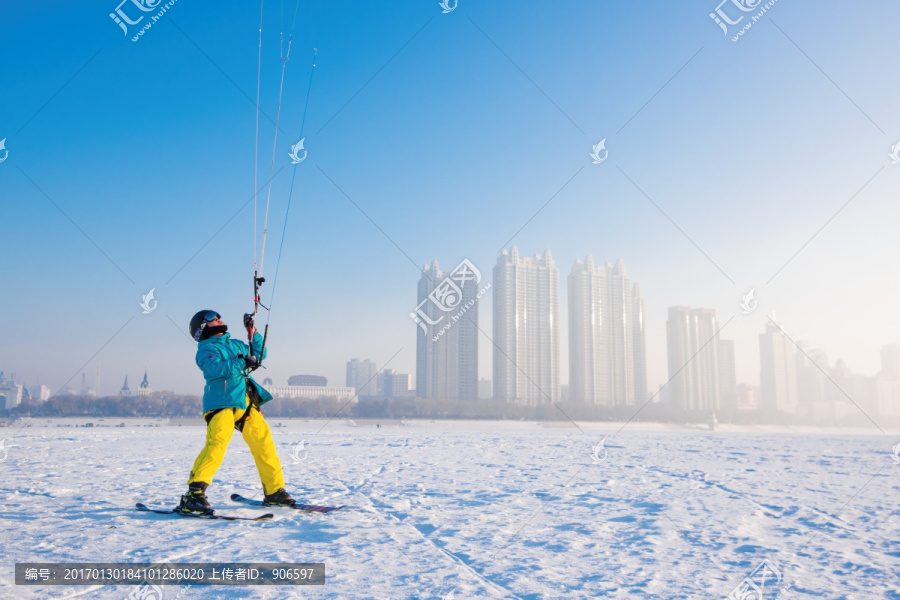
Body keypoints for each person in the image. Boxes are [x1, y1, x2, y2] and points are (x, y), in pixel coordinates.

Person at [178, 309, 296, 514]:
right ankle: (194, 494)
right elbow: (215, 369)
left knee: (263, 442)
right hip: (221, 403)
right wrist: (243, 362)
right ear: (203, 328)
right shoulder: (206, 349)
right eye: (214, 320)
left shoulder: (234, 344)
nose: (220, 320)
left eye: (219, 317)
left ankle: (274, 492)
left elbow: (259, 355)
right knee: (217, 443)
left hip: (245, 402)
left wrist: (253, 332)